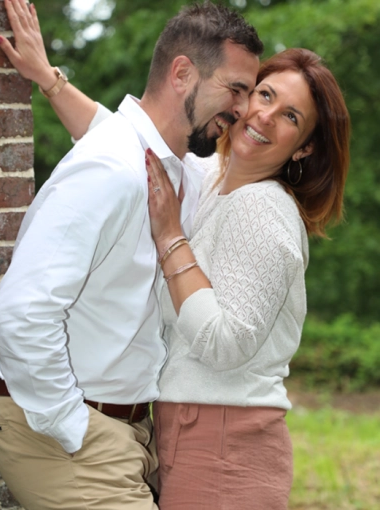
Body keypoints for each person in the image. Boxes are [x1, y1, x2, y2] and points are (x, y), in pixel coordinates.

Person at [0, 1, 263, 509]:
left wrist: (51, 80)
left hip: (128, 437)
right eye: (237, 89)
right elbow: (22, 311)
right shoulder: (110, 167)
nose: (245, 109)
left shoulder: (176, 168)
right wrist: (71, 428)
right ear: (182, 73)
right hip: (67, 439)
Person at [143, 48, 350, 510]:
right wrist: (50, 80)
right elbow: (136, 144)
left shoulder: (263, 209)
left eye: (290, 115)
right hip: (196, 434)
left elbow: (225, 343)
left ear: (305, 146)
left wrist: (172, 238)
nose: (265, 115)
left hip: (222, 446)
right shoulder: (214, 180)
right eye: (265, 94)